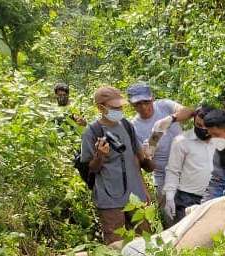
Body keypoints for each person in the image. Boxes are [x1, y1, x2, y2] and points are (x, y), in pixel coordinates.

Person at [78, 86, 154, 243]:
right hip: (109, 198)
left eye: (120, 106)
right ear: (101, 108)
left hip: (135, 197)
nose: (119, 110)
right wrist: (100, 155)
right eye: (114, 107)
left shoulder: (127, 125)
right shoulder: (92, 132)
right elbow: (91, 168)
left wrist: (143, 189)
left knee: (145, 241)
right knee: (115, 244)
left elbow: (136, 159)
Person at [126, 83, 195, 197]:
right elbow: (147, 168)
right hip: (164, 178)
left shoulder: (164, 106)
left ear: (152, 98)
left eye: (146, 102)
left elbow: (190, 112)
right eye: (138, 103)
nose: (143, 107)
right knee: (170, 212)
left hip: (188, 167)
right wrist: (148, 156)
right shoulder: (134, 128)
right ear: (131, 104)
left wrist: (170, 119)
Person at [162, 105, 216, 226]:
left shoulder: (221, 140)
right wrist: (170, 197)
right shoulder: (181, 141)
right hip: (187, 200)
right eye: (198, 125)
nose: (202, 129)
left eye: (206, 126)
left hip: (215, 197)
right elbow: (173, 171)